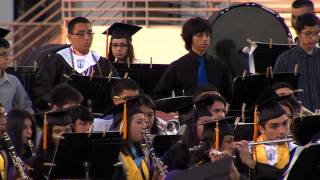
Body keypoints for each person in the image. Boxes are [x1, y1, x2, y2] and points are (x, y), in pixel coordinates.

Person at [32, 17, 119, 110]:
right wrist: (58, 106)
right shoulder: (56, 60)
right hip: (66, 116)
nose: (87, 38)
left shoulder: (102, 63)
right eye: (81, 34)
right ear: (69, 37)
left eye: (89, 33)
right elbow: (42, 90)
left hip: (98, 116)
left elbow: (117, 88)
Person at [153, 17, 233, 102]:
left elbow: (230, 95)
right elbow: (158, 95)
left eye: (207, 35)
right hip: (187, 113)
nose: (205, 39)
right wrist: (170, 111)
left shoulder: (220, 66)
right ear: (189, 38)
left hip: (215, 113)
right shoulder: (177, 66)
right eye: (200, 35)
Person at [235, 89, 296, 180]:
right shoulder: (248, 151)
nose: (282, 131)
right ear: (262, 129)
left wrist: (253, 164)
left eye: (285, 123)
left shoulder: (296, 149)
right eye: (274, 126)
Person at [274, 13, 320, 111]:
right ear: (298, 34)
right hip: (297, 118)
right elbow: (278, 94)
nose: (314, 38)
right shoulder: (284, 60)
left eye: (317, 33)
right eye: (308, 34)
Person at [113, 96, 163, 180]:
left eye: (144, 121)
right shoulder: (115, 156)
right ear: (124, 125)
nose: (144, 125)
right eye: (139, 122)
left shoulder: (143, 153)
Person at [32, 108, 73, 180]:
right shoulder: (39, 163)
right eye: (57, 131)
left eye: (67, 130)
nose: (63, 135)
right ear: (49, 136)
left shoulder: (79, 157)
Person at [0, 28, 33, 113]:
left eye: (8, 54)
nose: (7, 58)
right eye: (2, 54)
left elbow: (26, 109)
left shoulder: (13, 81)